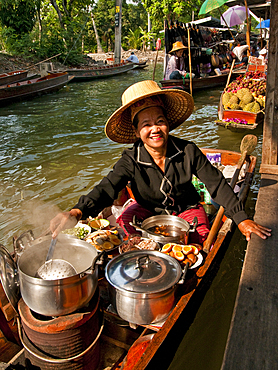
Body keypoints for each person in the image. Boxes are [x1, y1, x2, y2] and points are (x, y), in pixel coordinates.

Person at [50, 80, 271, 244]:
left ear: (168, 125)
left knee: (199, 240)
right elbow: (106, 188)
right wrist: (76, 212)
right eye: (146, 125)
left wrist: (241, 218)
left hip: (187, 209)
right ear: (137, 132)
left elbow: (217, 184)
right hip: (147, 210)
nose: (154, 129)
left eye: (160, 121)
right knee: (125, 233)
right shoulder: (130, 159)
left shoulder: (188, 151)